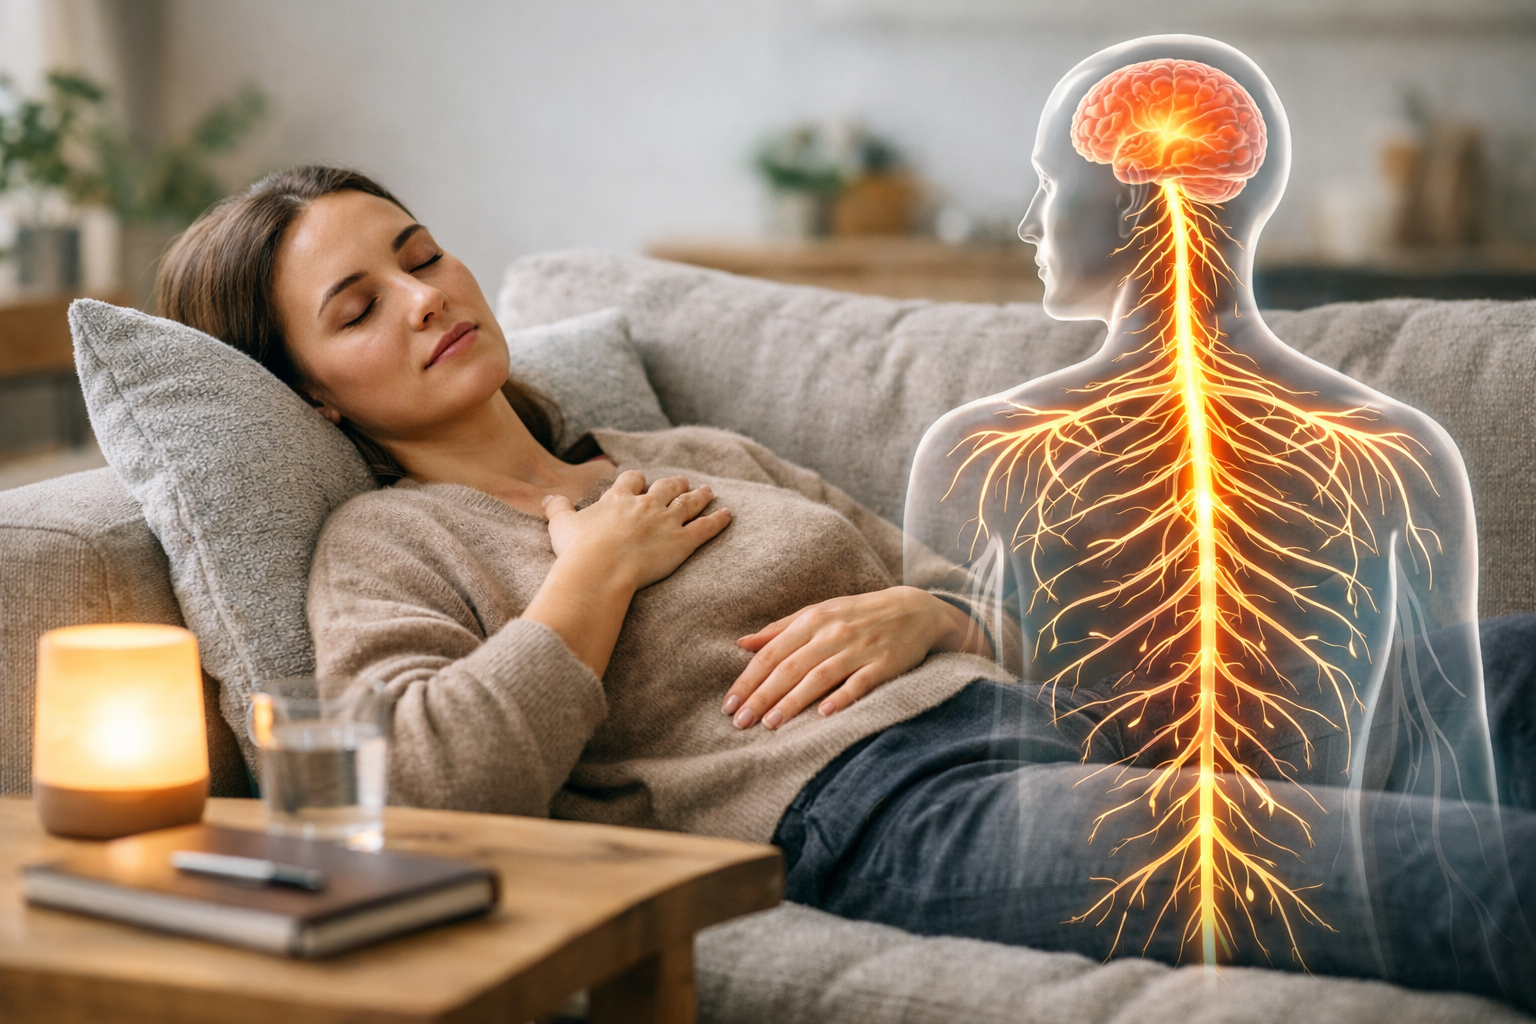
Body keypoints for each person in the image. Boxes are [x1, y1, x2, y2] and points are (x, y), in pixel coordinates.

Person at [155, 159, 1536, 1012]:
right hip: (892, 811)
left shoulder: (689, 452)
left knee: (1508, 666)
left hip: (1086, 705)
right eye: (356, 309)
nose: (421, 298)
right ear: (315, 400)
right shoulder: (391, 547)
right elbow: (419, 783)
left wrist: (927, 610)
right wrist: (591, 581)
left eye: (417, 255)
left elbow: (967, 583)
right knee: (1474, 880)